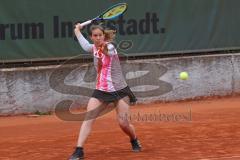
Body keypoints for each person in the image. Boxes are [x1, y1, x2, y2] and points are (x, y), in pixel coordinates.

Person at [69, 23, 142, 160]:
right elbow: (85, 45)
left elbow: (108, 52)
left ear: (104, 36)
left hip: (119, 90)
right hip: (101, 90)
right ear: (91, 37)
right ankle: (79, 150)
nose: (98, 38)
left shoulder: (110, 46)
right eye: (95, 36)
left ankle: (134, 139)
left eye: (100, 35)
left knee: (123, 124)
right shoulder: (92, 48)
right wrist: (77, 30)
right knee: (89, 118)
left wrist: (102, 48)